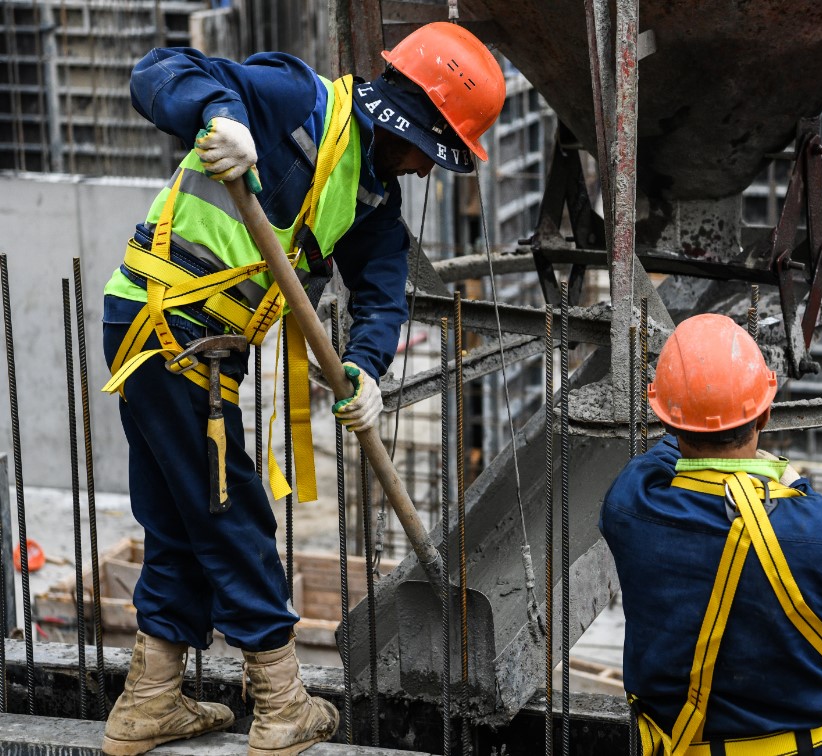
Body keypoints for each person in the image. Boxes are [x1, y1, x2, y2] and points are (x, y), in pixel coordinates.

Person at [99, 23, 505, 756]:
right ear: (402, 120)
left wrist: (367, 371)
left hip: (194, 341)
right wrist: (217, 116)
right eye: (427, 153)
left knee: (179, 513)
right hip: (169, 328)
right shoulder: (293, 101)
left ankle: (149, 701)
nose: (422, 172)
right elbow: (159, 70)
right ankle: (282, 701)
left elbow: (383, 297)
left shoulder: (372, 197)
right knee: (232, 514)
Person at [600, 314, 822, 756]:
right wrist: (789, 486)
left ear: (670, 424)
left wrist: (695, 414)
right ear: (766, 415)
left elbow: (656, 459)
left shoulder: (630, 507)